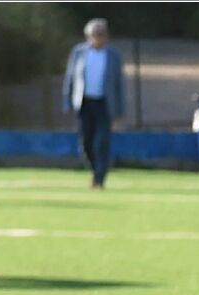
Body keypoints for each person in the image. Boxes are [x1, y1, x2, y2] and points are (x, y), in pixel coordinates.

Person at [64, 19, 124, 190]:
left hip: (104, 104)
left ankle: (100, 178)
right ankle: (95, 169)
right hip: (85, 103)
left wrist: (119, 112)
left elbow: (119, 85)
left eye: (101, 34)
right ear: (88, 36)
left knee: (102, 142)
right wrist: (67, 101)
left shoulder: (113, 55)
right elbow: (70, 78)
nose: (98, 38)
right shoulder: (79, 52)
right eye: (94, 34)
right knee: (86, 143)